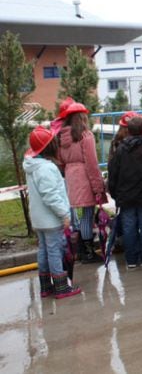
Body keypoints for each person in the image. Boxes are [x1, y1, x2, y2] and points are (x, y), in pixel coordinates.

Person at [24, 126, 81, 299]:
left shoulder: (32, 165)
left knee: (44, 251)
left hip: (39, 219)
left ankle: (45, 287)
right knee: (55, 251)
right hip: (51, 219)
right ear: (50, 147)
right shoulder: (47, 169)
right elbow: (51, 196)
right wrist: (65, 214)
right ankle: (62, 287)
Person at [58, 102, 106, 264]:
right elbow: (92, 163)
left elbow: (60, 160)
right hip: (84, 176)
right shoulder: (86, 136)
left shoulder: (62, 136)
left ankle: (80, 249)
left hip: (70, 176)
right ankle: (88, 251)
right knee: (87, 215)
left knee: (75, 217)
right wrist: (98, 186)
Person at [108, 115, 142, 269]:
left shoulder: (121, 149)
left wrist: (115, 193)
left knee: (129, 226)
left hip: (125, 195)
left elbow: (113, 172)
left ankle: (130, 259)